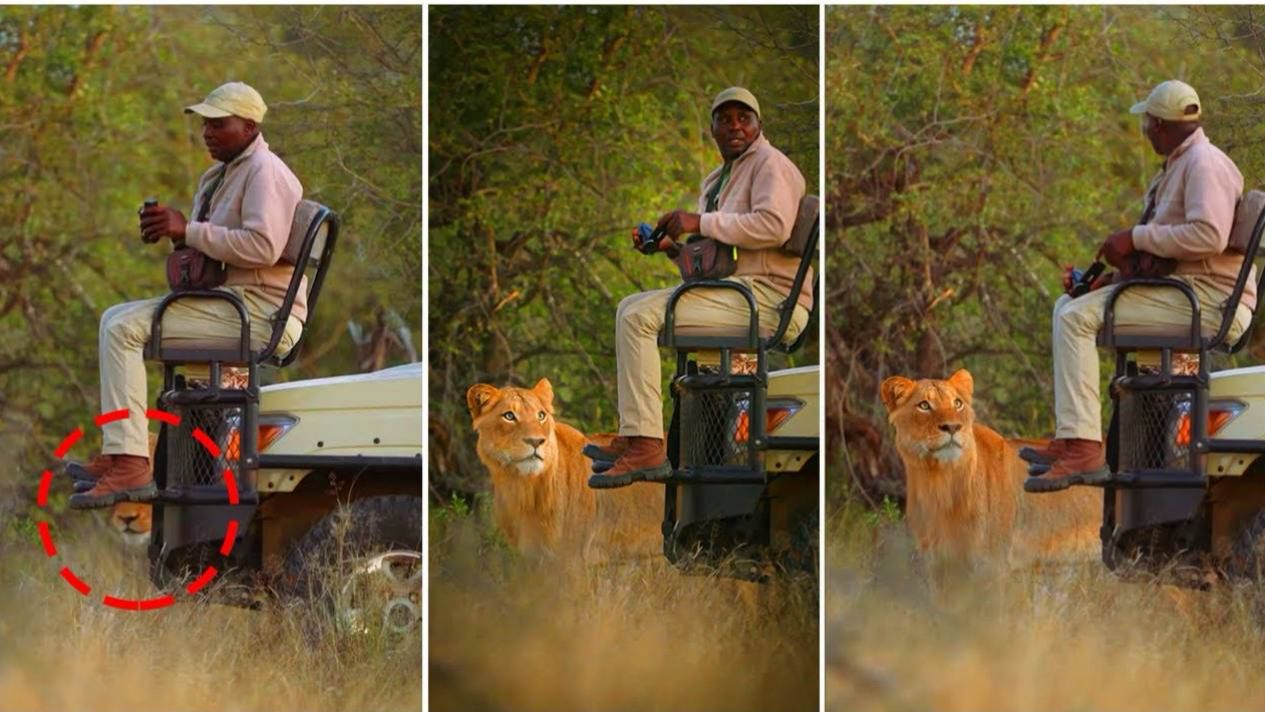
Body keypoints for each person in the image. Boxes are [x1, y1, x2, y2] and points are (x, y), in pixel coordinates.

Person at [67, 81, 305, 509]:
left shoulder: (265, 172)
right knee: (113, 317)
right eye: (205, 124)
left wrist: (188, 229)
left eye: (219, 124)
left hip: (259, 313)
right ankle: (123, 453)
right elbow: (213, 248)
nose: (207, 133)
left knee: (122, 328)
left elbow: (262, 247)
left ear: (250, 126)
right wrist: (172, 232)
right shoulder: (220, 175)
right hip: (231, 304)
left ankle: (132, 464)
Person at [1025, 79, 1253, 492]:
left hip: (1208, 301)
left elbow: (1208, 235)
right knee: (1068, 305)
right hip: (1186, 292)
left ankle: (1084, 450)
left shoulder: (1204, 163)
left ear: (1161, 125)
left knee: (1076, 318)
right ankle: (1072, 438)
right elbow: (1175, 250)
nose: (1145, 131)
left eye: (1147, 123)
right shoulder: (1182, 164)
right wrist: (1113, 277)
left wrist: (1136, 238)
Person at [589, 87, 812, 489]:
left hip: (769, 300)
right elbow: (710, 264)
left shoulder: (770, 164)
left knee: (639, 317)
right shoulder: (718, 180)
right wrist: (671, 248)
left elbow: (773, 225)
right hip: (736, 295)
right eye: (723, 119)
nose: (734, 126)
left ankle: (647, 446)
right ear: (711, 129)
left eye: (744, 117)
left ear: (759, 124)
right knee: (628, 307)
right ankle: (639, 433)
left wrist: (697, 222)